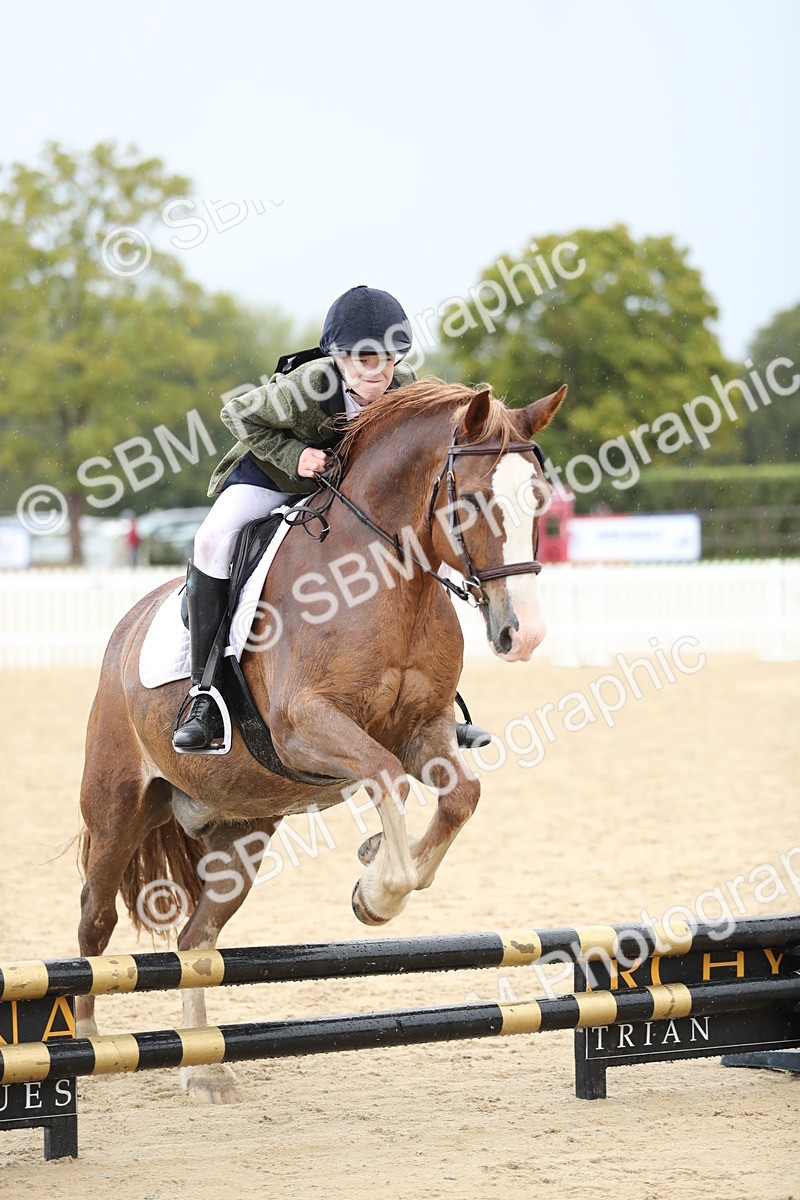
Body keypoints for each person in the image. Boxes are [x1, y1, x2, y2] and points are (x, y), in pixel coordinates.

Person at [173, 285, 491, 753]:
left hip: (345, 492)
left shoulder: (404, 389)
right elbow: (236, 413)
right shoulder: (308, 386)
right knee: (211, 539)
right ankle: (206, 692)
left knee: (425, 545)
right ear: (339, 358)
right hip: (273, 474)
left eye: (390, 358)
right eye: (366, 360)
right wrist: (294, 454)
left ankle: (434, 703)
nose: (381, 372)